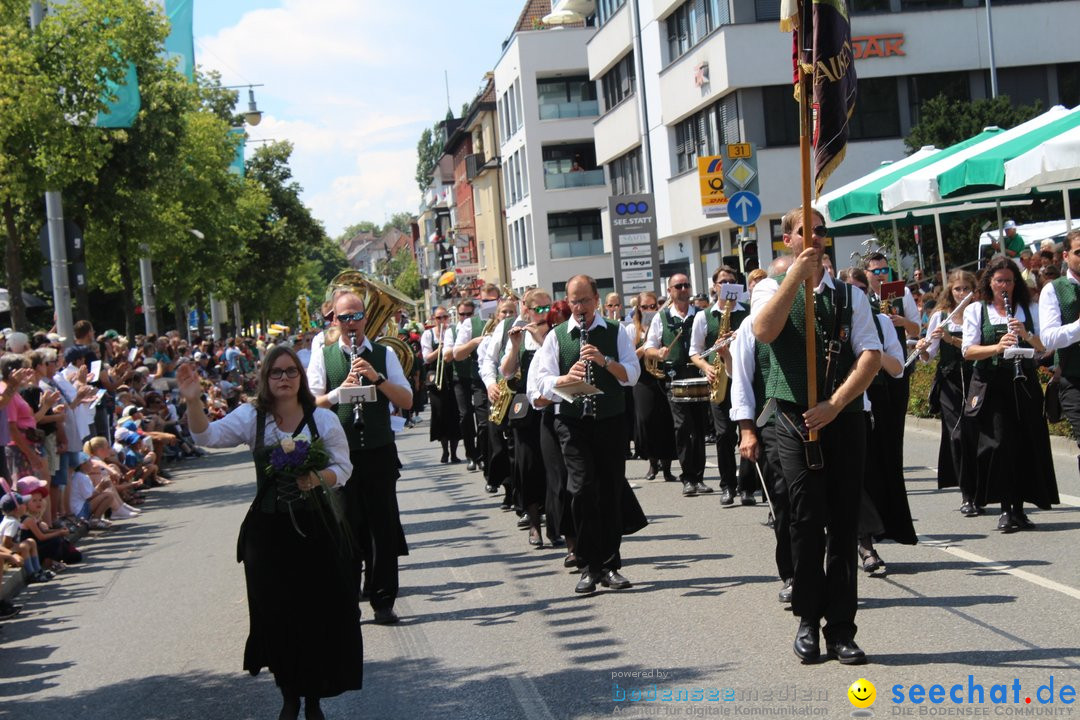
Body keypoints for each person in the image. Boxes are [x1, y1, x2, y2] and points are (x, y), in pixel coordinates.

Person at [181, 346, 360, 720]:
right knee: (277, 614)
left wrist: (317, 478)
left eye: (290, 372)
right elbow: (206, 436)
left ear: (300, 377)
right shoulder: (253, 417)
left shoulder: (322, 420)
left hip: (317, 529)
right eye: (276, 373)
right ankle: (289, 694)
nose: (283, 379)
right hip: (269, 532)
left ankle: (313, 699)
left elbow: (343, 468)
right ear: (266, 378)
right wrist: (193, 400)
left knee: (316, 613)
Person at [752, 207, 882, 665]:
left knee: (845, 526)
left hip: (841, 417)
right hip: (792, 420)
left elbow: (870, 353)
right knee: (805, 522)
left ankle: (842, 628)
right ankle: (808, 618)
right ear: (788, 239)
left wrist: (837, 404)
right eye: (806, 231)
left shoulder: (850, 296)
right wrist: (796, 279)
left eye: (822, 231)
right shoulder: (770, 288)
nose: (816, 237)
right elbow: (765, 331)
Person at [531, 275, 645, 594]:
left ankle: (609, 566)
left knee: (609, 491)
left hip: (610, 421)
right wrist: (567, 378)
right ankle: (586, 565)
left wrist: (605, 362)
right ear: (568, 302)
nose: (579, 307)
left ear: (597, 299)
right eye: (574, 301)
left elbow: (632, 376)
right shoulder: (557, 337)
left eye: (584, 300)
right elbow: (541, 383)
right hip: (572, 423)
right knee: (580, 490)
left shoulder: (615, 332)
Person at [307, 286, 413, 625]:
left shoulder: (384, 354)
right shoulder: (324, 355)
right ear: (334, 321)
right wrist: (343, 391)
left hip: (379, 451)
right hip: (340, 454)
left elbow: (407, 400)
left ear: (365, 318)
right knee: (346, 528)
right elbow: (310, 403)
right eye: (344, 317)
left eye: (356, 316)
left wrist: (376, 379)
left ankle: (383, 601)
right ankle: (348, 598)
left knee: (382, 527)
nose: (351, 323)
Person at [962, 257, 1059, 532]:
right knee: (1000, 444)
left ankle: (1020, 509)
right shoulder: (976, 311)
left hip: (1024, 382)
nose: (1004, 286)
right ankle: (1005, 508)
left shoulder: (1028, 308)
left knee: (1026, 444)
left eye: (1009, 280)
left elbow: (1044, 348)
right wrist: (997, 347)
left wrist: (1026, 335)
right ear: (989, 282)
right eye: (999, 281)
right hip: (992, 383)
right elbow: (968, 351)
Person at [845, 268, 915, 575]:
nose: (857, 295)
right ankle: (858, 544)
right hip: (838, 404)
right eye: (850, 289)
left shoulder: (882, 320)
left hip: (875, 405)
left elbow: (898, 367)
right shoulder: (831, 318)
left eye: (862, 288)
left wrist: (873, 352)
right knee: (849, 478)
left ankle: (866, 543)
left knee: (869, 477)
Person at [690, 265, 756, 505]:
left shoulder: (748, 313)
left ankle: (747, 486)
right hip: (718, 379)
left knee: (747, 431)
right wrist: (706, 367)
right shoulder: (703, 315)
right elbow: (694, 352)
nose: (727, 286)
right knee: (724, 434)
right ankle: (727, 485)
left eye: (731, 282)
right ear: (715, 287)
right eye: (722, 282)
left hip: (743, 376)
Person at [916, 270, 979, 514]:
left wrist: (951, 339)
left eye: (966, 289)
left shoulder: (978, 314)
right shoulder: (941, 316)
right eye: (957, 289)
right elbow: (928, 355)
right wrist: (922, 348)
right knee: (958, 435)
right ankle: (967, 495)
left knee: (976, 436)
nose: (962, 294)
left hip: (976, 380)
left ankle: (979, 489)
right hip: (950, 383)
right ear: (950, 292)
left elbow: (975, 347)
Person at [644, 274, 709, 497]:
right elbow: (648, 347)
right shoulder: (660, 318)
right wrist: (658, 353)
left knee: (700, 427)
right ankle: (687, 477)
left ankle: (698, 477)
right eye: (678, 286)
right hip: (675, 377)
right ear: (670, 291)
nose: (683, 289)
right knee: (682, 427)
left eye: (686, 285)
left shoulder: (701, 315)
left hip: (699, 375)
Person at [501, 288, 552, 548]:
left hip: (552, 405)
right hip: (526, 410)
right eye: (539, 309)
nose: (544, 313)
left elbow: (560, 363)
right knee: (529, 466)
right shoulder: (521, 334)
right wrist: (516, 345)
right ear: (527, 310)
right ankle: (534, 524)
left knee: (552, 468)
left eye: (547, 308)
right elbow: (507, 372)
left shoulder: (555, 332)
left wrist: (542, 339)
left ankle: (556, 524)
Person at [1039, 230, 1080, 478]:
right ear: (1065, 256)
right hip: (1073, 378)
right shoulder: (1054, 290)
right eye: (1079, 252)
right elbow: (1049, 338)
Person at [627, 292, 677, 483]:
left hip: (661, 377)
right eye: (644, 307)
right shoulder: (633, 330)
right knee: (646, 420)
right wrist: (646, 344)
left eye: (652, 306)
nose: (649, 310)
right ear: (638, 309)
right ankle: (652, 463)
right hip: (643, 379)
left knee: (666, 420)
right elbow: (629, 357)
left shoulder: (662, 324)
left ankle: (667, 468)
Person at [420, 309, 460, 463]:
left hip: (451, 375)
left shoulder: (453, 331)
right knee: (440, 413)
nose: (442, 320)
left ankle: (455, 452)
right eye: (439, 317)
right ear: (433, 319)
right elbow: (427, 358)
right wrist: (440, 348)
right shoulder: (428, 335)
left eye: (445, 317)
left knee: (454, 413)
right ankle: (445, 451)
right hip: (436, 376)